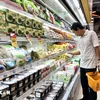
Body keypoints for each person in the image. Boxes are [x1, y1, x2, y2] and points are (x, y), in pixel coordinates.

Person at [69, 22, 100, 100]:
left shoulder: (91, 34)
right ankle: (85, 98)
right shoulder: (80, 38)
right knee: (84, 84)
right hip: (82, 64)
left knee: (92, 86)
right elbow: (81, 51)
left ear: (78, 29)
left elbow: (97, 48)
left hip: (91, 64)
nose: (75, 34)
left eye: (74, 32)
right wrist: (72, 53)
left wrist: (98, 60)